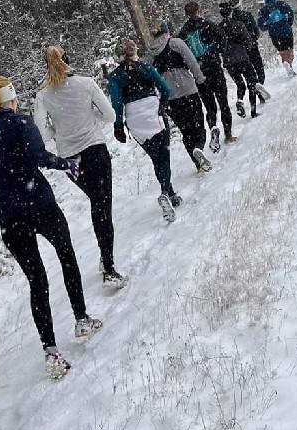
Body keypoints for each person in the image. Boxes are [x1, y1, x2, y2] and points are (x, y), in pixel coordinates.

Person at [0, 75, 102, 380]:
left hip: (8, 214)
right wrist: (64, 163)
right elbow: (37, 156)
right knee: (66, 255)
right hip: (39, 203)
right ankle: (81, 318)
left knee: (36, 280)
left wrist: (3, 171)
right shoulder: (20, 123)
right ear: (12, 99)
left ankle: (51, 351)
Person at [33, 46, 127, 291]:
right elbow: (110, 114)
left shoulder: (43, 95)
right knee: (102, 205)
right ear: (68, 60)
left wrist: (59, 132)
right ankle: (108, 266)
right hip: (95, 151)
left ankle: (105, 258)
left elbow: (41, 134)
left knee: (97, 203)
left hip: (71, 160)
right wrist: (91, 116)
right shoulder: (86, 84)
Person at [107, 38, 180, 222]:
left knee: (156, 157)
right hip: (153, 113)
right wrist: (162, 105)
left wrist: (118, 125)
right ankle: (165, 191)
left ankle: (170, 193)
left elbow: (116, 103)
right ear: (134, 51)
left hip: (134, 120)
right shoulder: (146, 67)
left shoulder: (115, 76)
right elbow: (165, 89)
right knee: (164, 155)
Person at [143, 20, 213, 174]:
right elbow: (192, 62)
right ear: (166, 31)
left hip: (170, 98)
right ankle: (199, 147)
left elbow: (146, 77)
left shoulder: (150, 54)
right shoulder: (176, 43)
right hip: (188, 90)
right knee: (198, 125)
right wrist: (200, 79)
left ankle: (198, 165)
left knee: (185, 130)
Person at [178, 1, 236, 151]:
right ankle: (228, 134)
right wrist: (217, 52)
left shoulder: (183, 32)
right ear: (199, 11)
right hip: (214, 67)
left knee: (209, 106)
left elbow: (180, 54)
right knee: (223, 101)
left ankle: (213, 127)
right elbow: (223, 40)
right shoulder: (208, 24)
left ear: (186, 14)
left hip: (198, 72)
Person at [219, 3, 262, 118]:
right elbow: (248, 41)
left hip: (228, 61)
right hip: (242, 57)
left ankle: (240, 100)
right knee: (251, 82)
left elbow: (218, 47)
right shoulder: (239, 25)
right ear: (231, 12)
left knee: (240, 84)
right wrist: (245, 48)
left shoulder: (218, 28)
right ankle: (253, 111)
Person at [228, 0, 271, 103]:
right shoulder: (247, 15)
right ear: (240, 4)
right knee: (259, 69)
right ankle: (260, 85)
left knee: (249, 75)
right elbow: (256, 32)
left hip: (240, 52)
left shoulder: (231, 21)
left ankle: (257, 92)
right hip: (252, 46)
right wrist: (252, 40)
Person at [257, 0, 296, 75]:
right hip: (286, 31)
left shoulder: (263, 10)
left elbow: (261, 25)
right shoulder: (281, 4)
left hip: (275, 35)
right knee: (289, 50)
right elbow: (291, 13)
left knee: (282, 52)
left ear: (265, 0)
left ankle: (286, 65)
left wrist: (269, 26)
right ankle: (290, 65)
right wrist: (288, 24)